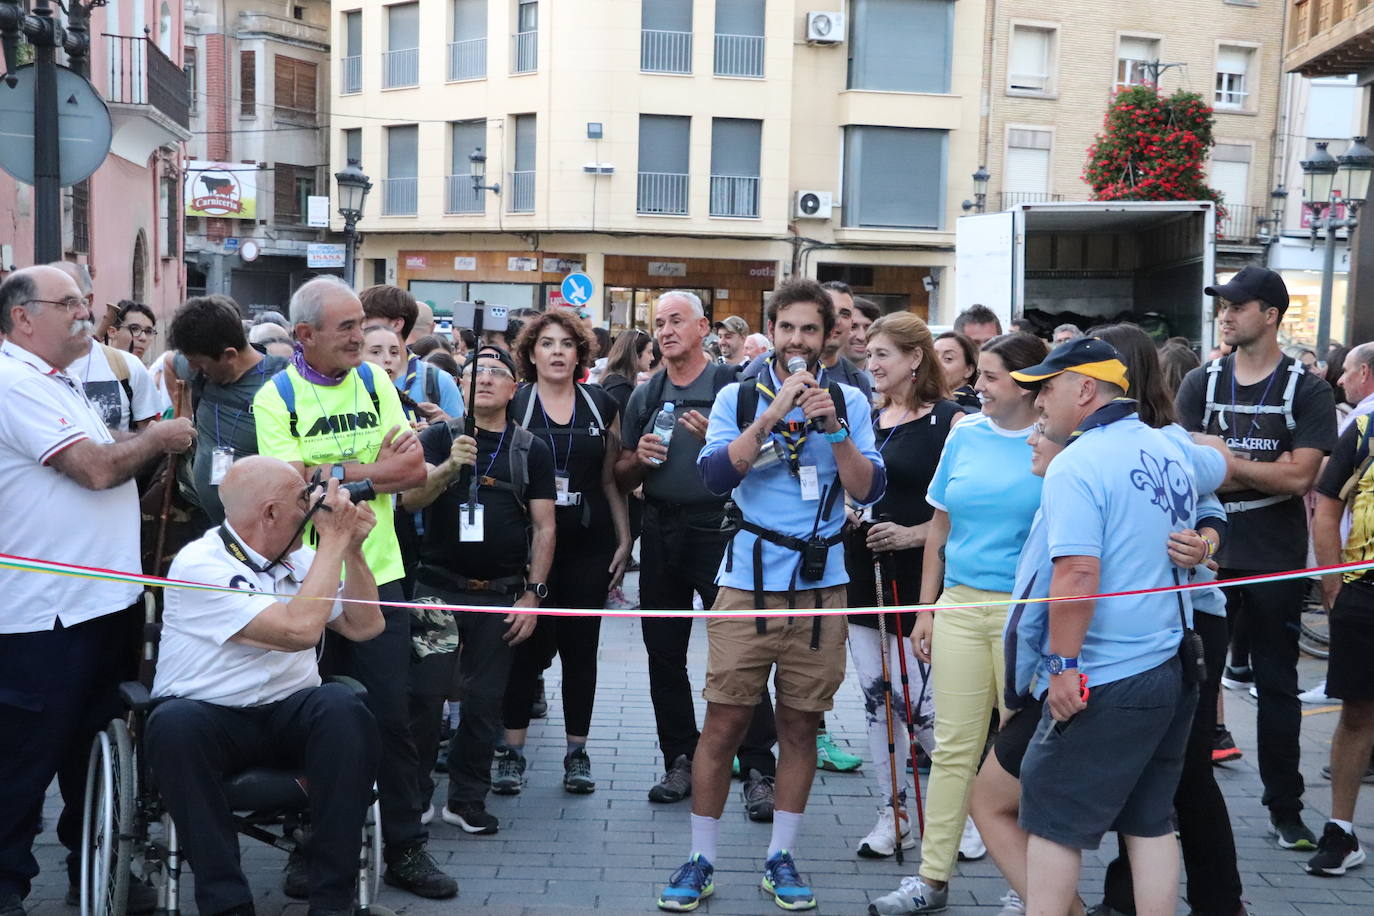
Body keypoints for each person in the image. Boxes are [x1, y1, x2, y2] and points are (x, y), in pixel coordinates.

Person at [657, 277, 885, 912]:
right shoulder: (735, 395)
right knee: (725, 720)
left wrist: (833, 428)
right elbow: (713, 476)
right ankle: (700, 858)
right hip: (748, 583)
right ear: (773, 331)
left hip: (821, 586)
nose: (797, 341)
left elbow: (868, 491)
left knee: (801, 725)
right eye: (787, 328)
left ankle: (780, 855)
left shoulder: (852, 401)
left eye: (809, 330)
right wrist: (772, 412)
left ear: (827, 336)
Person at [252, 276, 455, 900]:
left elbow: (412, 467)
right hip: (305, 580)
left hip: (381, 574)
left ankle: (405, 847)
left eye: (360, 323)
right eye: (345, 327)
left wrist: (332, 475)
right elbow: (291, 491)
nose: (361, 336)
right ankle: (307, 845)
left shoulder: (375, 382)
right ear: (304, 336)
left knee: (391, 717)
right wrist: (366, 473)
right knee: (307, 717)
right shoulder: (275, 396)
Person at [0, 266, 194, 916]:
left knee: (92, 758)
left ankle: (97, 870)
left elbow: (108, 460)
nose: (86, 315)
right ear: (24, 318)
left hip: (100, 606)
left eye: (87, 303)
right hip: (44, 620)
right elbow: (95, 467)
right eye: (70, 304)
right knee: (24, 767)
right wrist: (160, 436)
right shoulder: (14, 381)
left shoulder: (61, 381)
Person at [1008, 337, 1225, 916]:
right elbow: (1213, 487)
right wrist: (1205, 541)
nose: (1038, 404)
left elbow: (1077, 572)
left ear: (1085, 388)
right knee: (1149, 821)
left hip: (1114, 669)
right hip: (1172, 661)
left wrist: (1063, 668)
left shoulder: (1078, 461)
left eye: (1046, 389)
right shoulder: (1166, 448)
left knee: (1051, 815)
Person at [145, 459, 384, 916]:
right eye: (303, 498)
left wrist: (351, 548)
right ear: (271, 513)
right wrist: (332, 539)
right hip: (209, 717)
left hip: (286, 711)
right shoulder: (201, 564)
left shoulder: (303, 558)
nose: (313, 505)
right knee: (172, 724)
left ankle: (333, 902)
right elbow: (298, 632)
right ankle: (227, 905)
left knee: (343, 706)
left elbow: (365, 624)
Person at [1082, 324, 1245, 916]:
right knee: (1149, 773)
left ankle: (1220, 902)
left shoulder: (1168, 440)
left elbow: (1214, 505)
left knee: (1185, 775)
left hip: (1192, 620)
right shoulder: (1083, 443)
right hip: (1124, 626)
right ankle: (1127, 897)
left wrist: (1203, 545)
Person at [881, 333, 1047, 913]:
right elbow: (940, 531)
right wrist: (928, 609)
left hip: (1025, 614)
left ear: (1027, 383)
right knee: (952, 749)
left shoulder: (1056, 444)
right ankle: (931, 879)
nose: (977, 387)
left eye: (992, 378)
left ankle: (1026, 885)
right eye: (979, 375)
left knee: (1021, 754)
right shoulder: (965, 434)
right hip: (958, 604)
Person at [1175, 265, 1337, 850]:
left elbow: (1299, 477)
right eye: (1222, 305)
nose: (1225, 314)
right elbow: (1185, 463)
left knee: (1277, 684)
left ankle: (1285, 808)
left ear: (1270, 315)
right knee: (1195, 679)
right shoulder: (1202, 379)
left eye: (1237, 306)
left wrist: (1226, 463)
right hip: (1210, 550)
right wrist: (1255, 472)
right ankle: (1178, 799)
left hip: (1274, 553)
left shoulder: (1309, 388)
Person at [614, 291, 779, 817]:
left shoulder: (735, 388)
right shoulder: (647, 394)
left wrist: (727, 445)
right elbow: (618, 475)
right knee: (663, 652)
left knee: (740, 653)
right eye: (658, 323)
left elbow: (772, 460)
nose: (665, 330)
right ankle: (679, 758)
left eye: (676, 320)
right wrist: (636, 461)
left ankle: (758, 769)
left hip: (721, 531)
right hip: (661, 529)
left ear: (703, 327)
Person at [400, 346, 555, 835]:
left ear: (514, 388)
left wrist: (533, 595)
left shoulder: (531, 448)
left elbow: (546, 528)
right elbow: (409, 501)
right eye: (474, 372)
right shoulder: (435, 438)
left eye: (496, 373)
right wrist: (447, 468)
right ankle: (416, 797)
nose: (484, 379)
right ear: (462, 385)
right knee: (424, 698)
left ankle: (467, 800)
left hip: (500, 592)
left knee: (485, 701)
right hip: (436, 588)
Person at [842, 312, 960, 859]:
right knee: (876, 701)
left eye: (883, 354)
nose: (873, 365)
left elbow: (963, 507)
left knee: (924, 707)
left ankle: (970, 814)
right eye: (869, 355)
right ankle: (893, 814)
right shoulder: (864, 418)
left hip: (919, 580)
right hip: (863, 573)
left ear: (916, 359)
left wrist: (913, 536)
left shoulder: (952, 421)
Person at [499, 309, 631, 795]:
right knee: (523, 646)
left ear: (580, 353)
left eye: (567, 344)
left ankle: (578, 751)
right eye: (547, 343)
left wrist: (624, 539)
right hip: (530, 546)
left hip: (587, 544)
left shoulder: (599, 404)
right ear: (530, 354)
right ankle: (511, 751)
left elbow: (609, 480)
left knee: (582, 650)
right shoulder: (516, 403)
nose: (557, 351)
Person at [1310, 377, 1374, 875]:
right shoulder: (1365, 427)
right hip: (1364, 595)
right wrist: (1333, 588)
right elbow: (1326, 508)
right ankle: (1341, 830)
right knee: (1356, 714)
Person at [164, 295, 292, 525]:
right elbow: (170, 363)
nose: (193, 370)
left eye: (200, 364)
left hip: (262, 530)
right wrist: (184, 417)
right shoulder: (197, 367)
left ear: (230, 355)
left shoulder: (283, 382)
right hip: (205, 520)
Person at [360, 285, 465, 422]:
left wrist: (441, 430)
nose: (360, 327)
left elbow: (462, 438)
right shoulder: (348, 379)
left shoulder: (437, 382)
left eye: (366, 320)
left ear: (397, 324)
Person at [600, 328, 653, 415]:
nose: (652, 358)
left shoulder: (615, 382)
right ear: (635, 354)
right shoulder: (620, 389)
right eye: (649, 352)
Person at [934, 331, 982, 412]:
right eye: (933, 357)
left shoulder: (967, 409)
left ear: (969, 370)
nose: (936, 364)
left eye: (948, 358)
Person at [848, 297, 880, 373]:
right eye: (853, 327)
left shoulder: (886, 375)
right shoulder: (819, 373)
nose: (861, 337)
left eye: (868, 327)